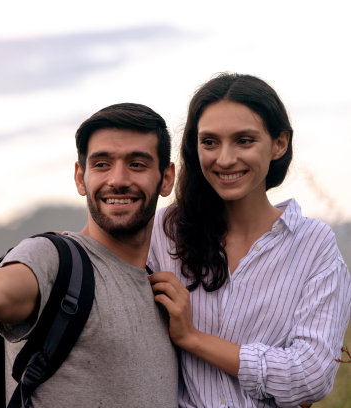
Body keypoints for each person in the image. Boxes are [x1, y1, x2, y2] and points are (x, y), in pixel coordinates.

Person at [0, 103, 179, 407]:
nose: (117, 179)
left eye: (137, 164)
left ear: (166, 178)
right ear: (80, 177)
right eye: (101, 164)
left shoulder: (166, 290)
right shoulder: (54, 261)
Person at [148, 73, 351, 407]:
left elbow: (311, 377)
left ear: (279, 143)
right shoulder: (165, 232)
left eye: (244, 140)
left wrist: (192, 338)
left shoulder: (314, 245)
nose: (225, 159)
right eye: (209, 142)